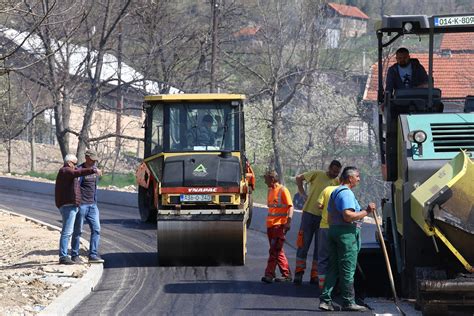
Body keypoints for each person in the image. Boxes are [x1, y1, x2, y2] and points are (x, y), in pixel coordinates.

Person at [319, 166, 376, 312]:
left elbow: (331, 216)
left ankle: (325, 300)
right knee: (347, 269)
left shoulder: (335, 191)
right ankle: (348, 301)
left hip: (334, 231)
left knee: (333, 267)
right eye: (357, 176)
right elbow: (348, 216)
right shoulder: (346, 194)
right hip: (346, 235)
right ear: (350, 178)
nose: (359, 179)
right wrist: (367, 211)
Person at [293, 160, 341, 285]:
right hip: (309, 214)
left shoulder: (337, 183)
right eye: (334, 171)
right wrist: (302, 193)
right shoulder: (317, 174)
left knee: (320, 248)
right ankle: (299, 272)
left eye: (338, 172)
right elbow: (299, 178)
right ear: (329, 167)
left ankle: (314, 275)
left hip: (324, 219)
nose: (335, 174)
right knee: (303, 244)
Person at [55, 154, 99, 265]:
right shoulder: (65, 171)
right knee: (68, 232)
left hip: (77, 205)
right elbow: (77, 173)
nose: (76, 166)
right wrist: (92, 170)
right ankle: (65, 256)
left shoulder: (69, 173)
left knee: (94, 229)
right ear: (69, 163)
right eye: (74, 164)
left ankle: (91, 254)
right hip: (68, 206)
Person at [71, 149, 104, 264]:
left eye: (95, 159)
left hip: (93, 205)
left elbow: (94, 186)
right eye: (93, 159)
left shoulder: (94, 170)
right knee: (78, 231)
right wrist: (77, 203)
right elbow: (75, 187)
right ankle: (74, 255)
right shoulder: (79, 170)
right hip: (81, 206)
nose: (94, 161)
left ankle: (93, 255)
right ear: (87, 158)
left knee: (96, 229)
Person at [261, 170, 294, 284]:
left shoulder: (283, 190)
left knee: (274, 250)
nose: (265, 181)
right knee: (278, 251)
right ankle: (286, 274)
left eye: (266, 179)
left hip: (279, 226)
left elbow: (290, 207)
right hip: (270, 225)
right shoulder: (270, 190)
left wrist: (288, 222)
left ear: (272, 179)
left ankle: (269, 274)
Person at [315, 181, 340, 290]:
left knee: (323, 258)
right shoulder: (345, 192)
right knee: (337, 257)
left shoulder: (327, 189)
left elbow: (319, 205)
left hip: (324, 227)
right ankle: (335, 286)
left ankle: (322, 286)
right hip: (339, 228)